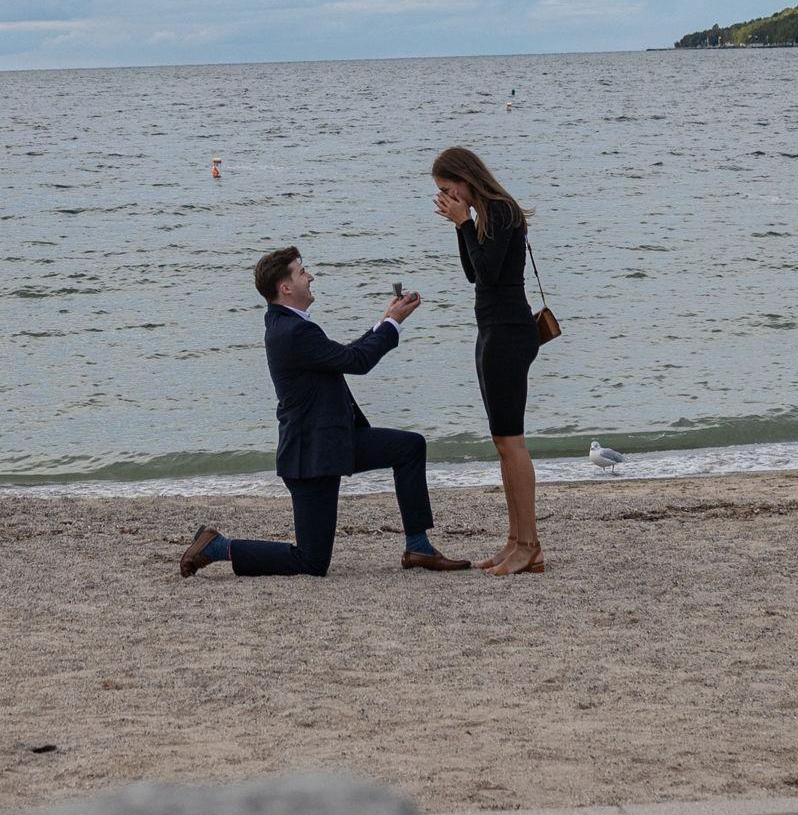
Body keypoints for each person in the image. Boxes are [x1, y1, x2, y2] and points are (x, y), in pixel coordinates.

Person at [178, 246, 472, 577]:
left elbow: (344, 355)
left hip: (333, 441)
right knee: (311, 561)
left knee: (409, 447)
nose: (311, 276)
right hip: (311, 456)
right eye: (302, 272)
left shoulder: (289, 325)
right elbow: (357, 362)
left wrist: (383, 323)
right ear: (285, 287)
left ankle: (418, 546)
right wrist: (393, 323)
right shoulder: (293, 331)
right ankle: (218, 547)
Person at [432, 144, 544, 575]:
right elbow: (473, 273)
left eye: (447, 188)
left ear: (464, 180)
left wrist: (464, 223)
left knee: (512, 442)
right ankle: (516, 540)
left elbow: (494, 275)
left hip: (508, 334)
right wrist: (461, 226)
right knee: (502, 442)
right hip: (492, 330)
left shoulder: (499, 211)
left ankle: (529, 544)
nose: (445, 197)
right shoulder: (484, 216)